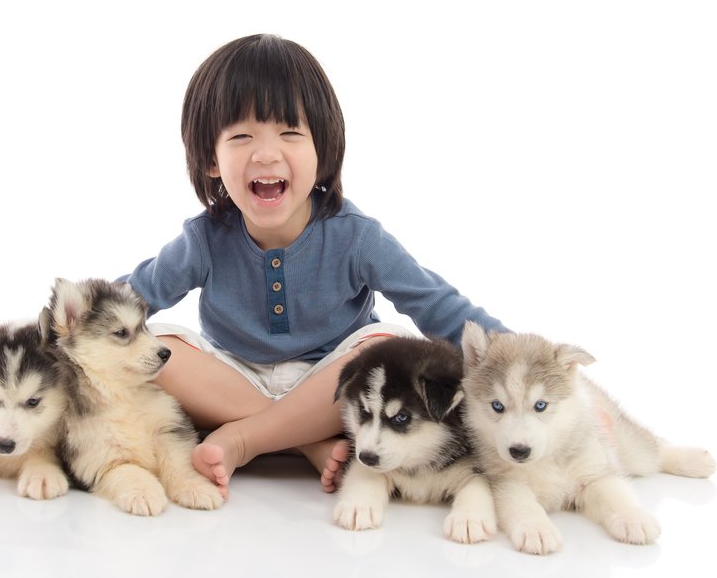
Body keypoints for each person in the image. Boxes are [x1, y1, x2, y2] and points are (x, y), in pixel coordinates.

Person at [118, 34, 507, 498]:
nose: (265, 154)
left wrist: (517, 361)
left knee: (388, 343)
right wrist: (62, 328)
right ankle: (305, 441)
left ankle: (248, 438)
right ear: (210, 161)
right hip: (235, 378)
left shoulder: (357, 236)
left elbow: (437, 306)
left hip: (332, 385)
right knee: (155, 348)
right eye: (241, 137)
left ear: (322, 151)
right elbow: (125, 303)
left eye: (289, 133)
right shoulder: (204, 238)